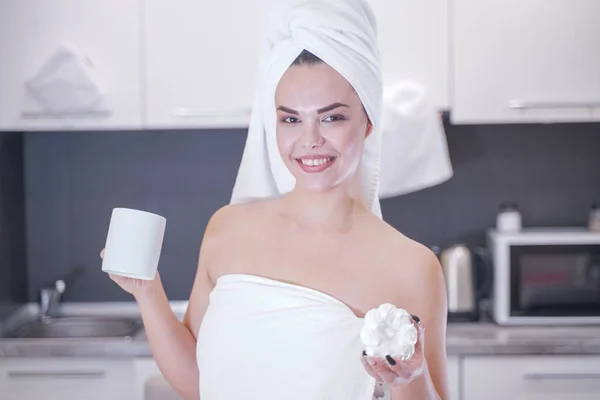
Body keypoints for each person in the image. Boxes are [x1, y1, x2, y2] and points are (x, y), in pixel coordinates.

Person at [101, 1, 449, 399]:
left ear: (368, 121)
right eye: (291, 118)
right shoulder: (228, 229)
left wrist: (408, 378)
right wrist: (148, 292)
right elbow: (200, 383)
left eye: (332, 117)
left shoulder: (410, 266)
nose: (310, 139)